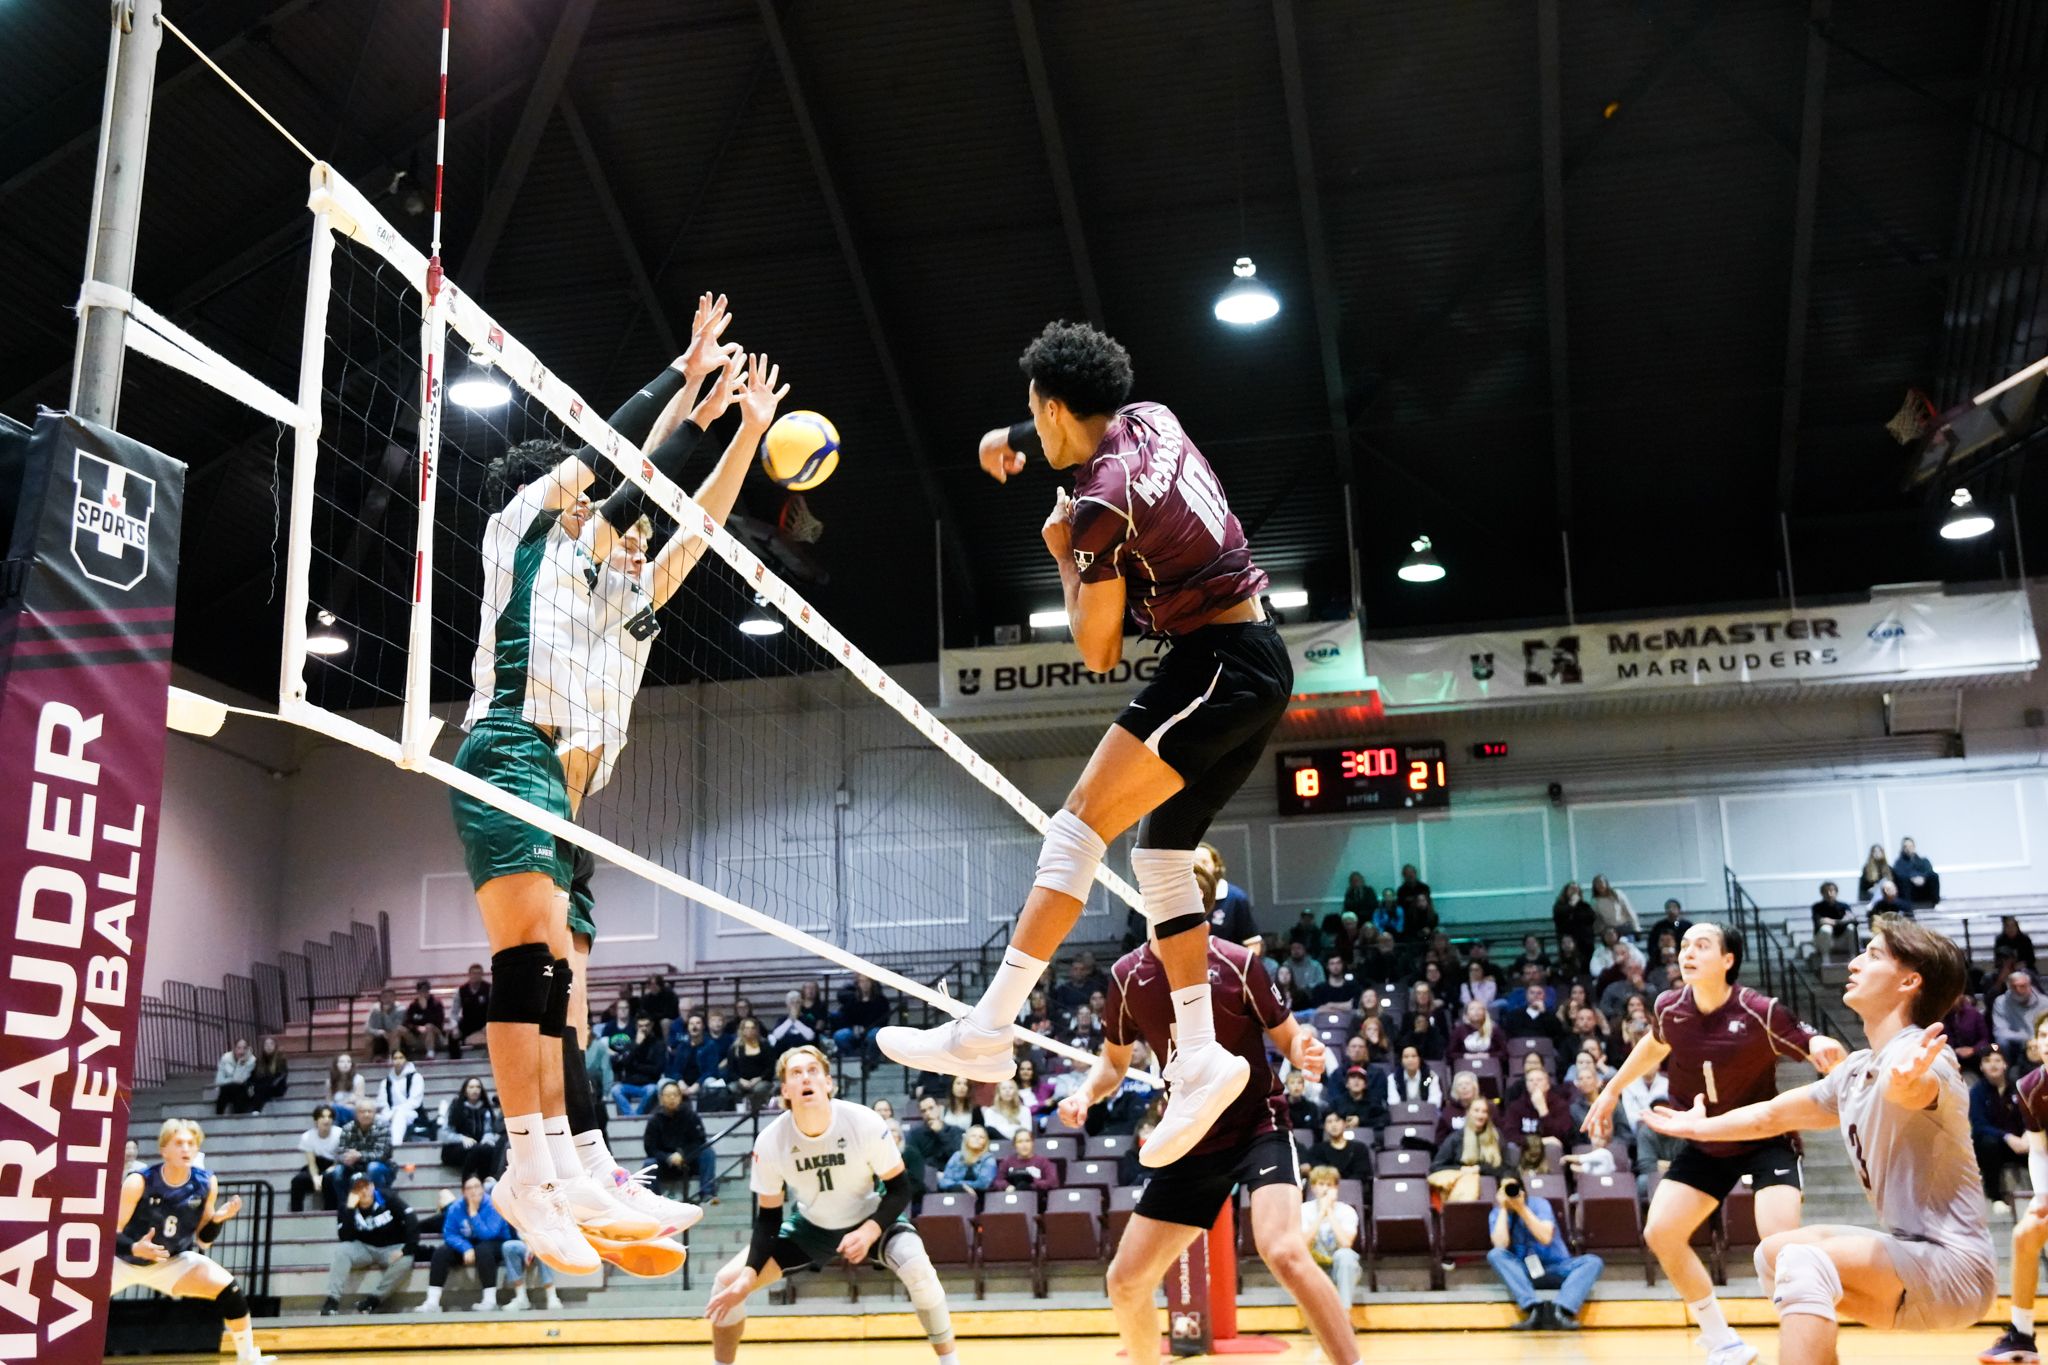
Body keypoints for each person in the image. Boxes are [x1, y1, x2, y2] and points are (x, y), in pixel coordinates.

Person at [881, 322, 1294, 1172]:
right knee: (1162, 856)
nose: (1030, 419)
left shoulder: (1102, 507)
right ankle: (1202, 1054)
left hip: (1222, 662)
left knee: (1077, 826)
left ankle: (991, 1027)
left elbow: (1098, 649)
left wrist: (1063, 555)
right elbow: (1068, 430)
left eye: (1032, 408)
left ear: (1054, 404)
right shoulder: (1149, 416)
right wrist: (1008, 439)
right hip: (1250, 655)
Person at [447, 301, 753, 1278]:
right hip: (507, 748)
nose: (603, 512)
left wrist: (730, 428)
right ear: (548, 494)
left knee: (566, 988)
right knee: (533, 959)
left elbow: (676, 514)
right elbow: (616, 454)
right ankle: (527, 1166)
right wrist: (682, 376)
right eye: (583, 500)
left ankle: (581, 1161)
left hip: (566, 797)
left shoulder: (606, 593)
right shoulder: (519, 526)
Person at [1645, 914, 1992, 1365]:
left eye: (1871, 955)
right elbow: (1772, 1114)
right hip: (1909, 1265)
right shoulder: (1855, 1071)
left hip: (1954, 1270)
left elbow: (1914, 1086)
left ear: (1909, 982)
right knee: (1775, 1254)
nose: (1853, 963)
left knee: (1801, 1260)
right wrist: (1696, 1127)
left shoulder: (1924, 1054)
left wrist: (1908, 1085)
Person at [1055, 864, 1362, 1365]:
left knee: (1282, 1250)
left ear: (1201, 908)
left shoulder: (1237, 963)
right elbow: (1113, 1063)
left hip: (1256, 1126)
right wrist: (1086, 1095)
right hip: (1190, 1137)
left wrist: (1305, 1051)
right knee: (1126, 1280)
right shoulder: (1127, 977)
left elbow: (1288, 1037)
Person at [1582, 923, 1843, 1365]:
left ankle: (1810, 1349)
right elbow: (1653, 1044)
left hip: (1764, 1137)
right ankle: (1723, 1341)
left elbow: (1805, 1036)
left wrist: (1820, 1042)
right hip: (1704, 1139)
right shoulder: (1669, 1006)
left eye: (1702, 946)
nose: (1688, 952)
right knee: (1661, 1233)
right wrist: (1610, 1091)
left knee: (1782, 1248)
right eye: (1685, 945)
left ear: (1728, 960)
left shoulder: (1758, 1009)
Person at [703, 1047, 960, 1365]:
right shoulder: (770, 1141)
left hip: (872, 1218)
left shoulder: (863, 1121)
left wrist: (868, 1232)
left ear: (828, 1083)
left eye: (813, 1070)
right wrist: (747, 1278)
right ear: (785, 1090)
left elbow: (900, 1189)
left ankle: (950, 1361)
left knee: (918, 1268)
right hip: (811, 1228)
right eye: (795, 1074)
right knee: (726, 1283)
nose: (805, 1077)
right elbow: (768, 1220)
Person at [111, 1119, 274, 1363]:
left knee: (230, 1291)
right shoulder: (139, 1181)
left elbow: (203, 1239)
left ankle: (247, 1357)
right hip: (121, 1261)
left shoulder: (205, 1183)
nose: (186, 1149)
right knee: (71, 1297)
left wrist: (218, 1220)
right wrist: (135, 1247)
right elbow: (110, 1233)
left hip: (170, 1263)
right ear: (163, 1149)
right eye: (179, 1143)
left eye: (191, 1143)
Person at [1984, 1015, 2048, 1362]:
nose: (2047, 1042)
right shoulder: (2029, 1087)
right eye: (2042, 1035)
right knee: (2026, 1235)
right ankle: (2021, 1335)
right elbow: (2039, 1148)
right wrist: (2042, 1196)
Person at [1487, 1170, 1606, 1329]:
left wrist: (1521, 1209)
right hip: (1524, 1273)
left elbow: (1545, 1237)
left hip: (1556, 1268)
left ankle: (1562, 1310)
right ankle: (1532, 1308)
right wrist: (1503, 1209)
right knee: (1495, 1254)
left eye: (1512, 1188)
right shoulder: (1497, 1213)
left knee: (1592, 1261)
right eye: (1504, 1189)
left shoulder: (1539, 1204)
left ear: (1522, 1189)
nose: (1510, 1193)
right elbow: (1500, 1245)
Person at [423, 1174, 528, 1312]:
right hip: (470, 1245)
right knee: (441, 1252)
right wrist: (465, 1248)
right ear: (463, 1192)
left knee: (483, 1250)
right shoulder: (456, 1208)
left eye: (477, 1187)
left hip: (497, 1242)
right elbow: (449, 1233)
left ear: (483, 1189)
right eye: (469, 1188)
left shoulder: (493, 1204)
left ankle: (490, 1301)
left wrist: (473, 1213)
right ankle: (432, 1302)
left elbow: (489, 1234)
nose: (474, 1191)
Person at [321, 1173, 416, 1315]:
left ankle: (373, 1300)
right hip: (364, 1248)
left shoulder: (387, 1197)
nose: (363, 1191)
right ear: (352, 1193)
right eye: (358, 1188)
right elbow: (345, 1237)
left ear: (372, 1186)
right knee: (342, 1250)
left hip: (391, 1247)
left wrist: (406, 1249)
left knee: (407, 1258)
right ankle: (332, 1301)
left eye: (366, 1186)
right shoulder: (346, 1207)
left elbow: (411, 1218)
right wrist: (350, 1210)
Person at [644, 1080, 719, 1206]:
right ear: (661, 1099)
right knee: (649, 1163)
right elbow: (650, 1148)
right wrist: (668, 1157)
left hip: (688, 1162)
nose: (672, 1098)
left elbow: (699, 1141)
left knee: (707, 1153)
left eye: (675, 1095)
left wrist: (682, 1154)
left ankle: (707, 1194)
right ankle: (654, 1201)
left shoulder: (690, 1116)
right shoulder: (654, 1120)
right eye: (668, 1095)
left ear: (680, 1097)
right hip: (665, 1163)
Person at [1971, 1047, 2028, 1209]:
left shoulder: (2018, 1089)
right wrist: (2007, 1137)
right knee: (1988, 1143)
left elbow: (2028, 1116)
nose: (1993, 1065)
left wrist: (2027, 1134)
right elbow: (1979, 1125)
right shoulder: (1977, 1092)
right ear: (1981, 1066)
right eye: (1987, 1061)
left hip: (2020, 1144)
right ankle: (1995, 1197)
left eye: (1997, 1060)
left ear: (2005, 1064)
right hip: (1994, 1147)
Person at [1301, 1165, 1361, 1306]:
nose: (1326, 1189)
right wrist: (1321, 1213)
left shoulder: (1347, 1211)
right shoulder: (1303, 1210)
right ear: (1313, 1187)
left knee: (1346, 1255)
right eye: (1321, 1184)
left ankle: (1344, 1313)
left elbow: (1346, 1244)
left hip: (1339, 1270)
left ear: (1336, 1188)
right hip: (1314, 1269)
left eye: (1330, 1185)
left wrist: (1330, 1212)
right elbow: (1303, 1244)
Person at [325, 1100, 395, 1209]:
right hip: (355, 1167)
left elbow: (383, 1154)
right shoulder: (347, 1128)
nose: (366, 1114)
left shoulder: (383, 1127)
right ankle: (345, 1207)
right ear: (356, 1114)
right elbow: (340, 1152)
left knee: (373, 1168)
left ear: (374, 1113)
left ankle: (379, 1204)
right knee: (338, 1171)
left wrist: (359, 1155)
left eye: (369, 1111)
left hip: (381, 1167)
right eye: (362, 1111)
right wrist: (346, 1158)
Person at [1197, 842, 1261, 952]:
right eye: (1194, 863)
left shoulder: (1236, 898)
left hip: (1227, 966)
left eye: (1204, 862)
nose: (1199, 868)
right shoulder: (1181, 898)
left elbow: (1253, 944)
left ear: (1217, 866)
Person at [440, 1075, 505, 1183]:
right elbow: (445, 1133)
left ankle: (484, 1183)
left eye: (478, 1087)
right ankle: (466, 1181)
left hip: (476, 1148)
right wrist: (462, 1138)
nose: (475, 1090)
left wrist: (485, 1141)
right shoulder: (456, 1107)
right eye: (471, 1087)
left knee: (485, 1149)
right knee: (477, 1149)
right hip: (455, 1148)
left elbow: (489, 1131)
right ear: (465, 1091)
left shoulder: (485, 1109)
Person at [830, 975, 892, 1070]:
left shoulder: (881, 1000)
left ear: (872, 984)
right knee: (839, 1035)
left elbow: (883, 1020)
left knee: (874, 1034)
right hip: (855, 1030)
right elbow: (845, 1016)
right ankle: (853, 1059)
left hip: (872, 1029)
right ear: (858, 984)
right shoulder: (853, 999)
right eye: (862, 982)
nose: (865, 984)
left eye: (867, 982)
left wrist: (867, 1028)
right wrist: (853, 1027)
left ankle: (871, 1060)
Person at [611, 1015, 667, 1116]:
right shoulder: (630, 1044)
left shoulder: (659, 1044)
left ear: (652, 1026)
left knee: (652, 1090)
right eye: (641, 1026)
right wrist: (636, 1045)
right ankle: (632, 1116)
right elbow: (623, 1063)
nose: (644, 1029)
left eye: (646, 1025)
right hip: (630, 1084)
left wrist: (636, 1066)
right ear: (637, 1027)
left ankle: (635, 1116)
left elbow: (657, 1069)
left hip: (648, 1084)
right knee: (615, 1090)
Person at [292, 1104, 343, 1213]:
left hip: (334, 1167)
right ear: (316, 1121)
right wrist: (315, 1177)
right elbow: (311, 1163)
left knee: (328, 1180)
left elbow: (339, 1161)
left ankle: (330, 1214)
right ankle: (295, 1214)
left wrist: (324, 1175)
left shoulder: (339, 1134)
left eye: (329, 1117)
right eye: (323, 1117)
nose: (326, 1120)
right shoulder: (307, 1136)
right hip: (317, 1165)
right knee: (298, 1181)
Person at [723, 1016, 774, 1113]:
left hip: (761, 1080)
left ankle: (758, 1111)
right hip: (741, 1081)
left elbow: (770, 1068)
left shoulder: (765, 1046)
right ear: (742, 1030)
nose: (750, 1031)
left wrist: (758, 1079)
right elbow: (731, 1070)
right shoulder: (734, 1048)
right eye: (746, 1028)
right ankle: (736, 1112)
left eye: (752, 1028)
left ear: (756, 1030)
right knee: (731, 1088)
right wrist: (741, 1080)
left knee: (759, 1089)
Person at [905, 1095, 963, 1179]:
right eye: (923, 1111)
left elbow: (958, 1157)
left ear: (939, 1108)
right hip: (927, 1177)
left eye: (931, 1108)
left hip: (953, 1175)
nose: (928, 1113)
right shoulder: (914, 1134)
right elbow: (914, 1162)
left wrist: (940, 1132)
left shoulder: (955, 1131)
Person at [378, 1047, 427, 1144]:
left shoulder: (416, 1078)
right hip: (389, 1113)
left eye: (401, 1058)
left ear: (406, 1059)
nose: (398, 1061)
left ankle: (395, 1146)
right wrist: (389, 1114)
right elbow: (382, 1103)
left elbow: (414, 1102)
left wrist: (396, 1112)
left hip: (411, 1113)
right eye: (395, 1058)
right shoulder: (386, 1082)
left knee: (399, 1116)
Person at [1995, 972, 2048, 1056]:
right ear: (2009, 987)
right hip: (2014, 1042)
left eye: (2022, 986)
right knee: (2002, 1041)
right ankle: (2006, 1067)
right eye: (2014, 986)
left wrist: (2036, 1039)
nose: (2018, 990)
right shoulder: (2001, 1002)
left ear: (2029, 986)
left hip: (2039, 1040)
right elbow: (2000, 1031)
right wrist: (2025, 1038)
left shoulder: (2044, 1002)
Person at [997, 1128, 1061, 1194]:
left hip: (1036, 1198)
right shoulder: (1007, 1162)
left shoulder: (1043, 1161)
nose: (1024, 1145)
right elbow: (998, 1181)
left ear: (1032, 1143)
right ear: (1014, 1144)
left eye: (1027, 1141)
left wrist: (1031, 1185)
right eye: (1020, 1141)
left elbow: (1053, 1182)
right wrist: (1007, 1186)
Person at [939, 1126, 998, 1192]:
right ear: (966, 1139)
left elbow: (984, 1184)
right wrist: (961, 1187)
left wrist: (961, 1185)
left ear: (985, 1142)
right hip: (956, 1193)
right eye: (973, 1136)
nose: (977, 1139)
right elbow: (944, 1182)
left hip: (980, 1196)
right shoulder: (957, 1156)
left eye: (981, 1137)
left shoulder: (989, 1159)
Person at [1553, 882, 1596, 972]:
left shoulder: (1584, 905)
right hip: (1568, 941)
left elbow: (1591, 918)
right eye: (1571, 889)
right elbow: (1560, 916)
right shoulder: (1559, 906)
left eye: (1576, 889)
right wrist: (1572, 904)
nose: (1574, 891)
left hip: (1584, 941)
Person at [403, 979, 451, 1060]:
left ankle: (430, 1052)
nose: (423, 993)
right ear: (418, 992)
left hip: (436, 1036)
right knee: (399, 1029)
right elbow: (407, 1023)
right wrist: (416, 1028)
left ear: (429, 991)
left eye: (425, 990)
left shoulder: (436, 1004)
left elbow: (438, 1022)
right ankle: (394, 1055)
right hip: (419, 1036)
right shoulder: (413, 1005)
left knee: (429, 1026)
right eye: (421, 991)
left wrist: (425, 1009)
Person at [1384, 1044, 1443, 1109]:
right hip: (1402, 1115)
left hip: (1426, 1114)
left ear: (1419, 1059)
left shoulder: (1429, 1078)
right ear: (1401, 1060)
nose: (1410, 1060)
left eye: (1414, 1056)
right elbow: (1393, 1103)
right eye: (1406, 1057)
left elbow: (1435, 1102)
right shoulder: (1394, 1078)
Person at [1810, 883, 1853, 959]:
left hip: (1841, 939)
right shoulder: (1817, 907)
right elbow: (1820, 922)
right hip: (1823, 941)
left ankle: (1854, 957)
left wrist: (1832, 921)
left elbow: (1851, 919)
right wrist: (1841, 922)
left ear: (1836, 892)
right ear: (1822, 894)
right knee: (1826, 929)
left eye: (1831, 891)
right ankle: (1826, 960)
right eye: (1826, 892)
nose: (1829, 894)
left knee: (1851, 928)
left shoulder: (1844, 906)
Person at [214, 1039, 257, 1115]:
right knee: (226, 1089)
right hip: (227, 1090)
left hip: (244, 1090)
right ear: (234, 1049)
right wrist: (232, 1080)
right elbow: (219, 1081)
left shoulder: (251, 1061)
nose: (241, 1051)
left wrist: (241, 1063)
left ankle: (238, 1117)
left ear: (247, 1050)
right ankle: (218, 1116)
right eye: (239, 1048)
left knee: (239, 1089)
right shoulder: (225, 1059)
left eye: (244, 1048)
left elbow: (241, 1081)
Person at [1893, 837, 1939, 906]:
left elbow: (1929, 871)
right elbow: (1899, 875)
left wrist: (1923, 877)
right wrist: (1912, 878)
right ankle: (1908, 906)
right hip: (1910, 889)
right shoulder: (1899, 863)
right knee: (1903, 879)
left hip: (1924, 886)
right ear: (1903, 848)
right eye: (1906, 846)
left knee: (1934, 875)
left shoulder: (1923, 861)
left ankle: (1934, 901)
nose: (1908, 848)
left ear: (1914, 847)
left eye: (1910, 846)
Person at [456, 963, 492, 1049]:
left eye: (478, 973)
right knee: (453, 1036)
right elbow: (454, 1012)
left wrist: (489, 1025)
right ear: (469, 975)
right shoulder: (461, 991)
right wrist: (454, 1026)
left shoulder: (489, 989)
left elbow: (496, 1010)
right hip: (467, 1025)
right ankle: (455, 1060)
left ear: (482, 975)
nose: (476, 976)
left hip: (484, 1024)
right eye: (474, 973)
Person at [250, 1037, 289, 1112]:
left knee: (262, 1086)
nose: (268, 1046)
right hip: (263, 1087)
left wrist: (269, 1082)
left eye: (271, 1044)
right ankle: (255, 1110)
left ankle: (256, 1110)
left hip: (276, 1087)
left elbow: (281, 1075)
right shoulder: (259, 1061)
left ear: (275, 1046)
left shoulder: (280, 1060)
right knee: (257, 1088)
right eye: (266, 1044)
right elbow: (254, 1076)